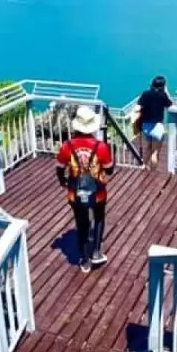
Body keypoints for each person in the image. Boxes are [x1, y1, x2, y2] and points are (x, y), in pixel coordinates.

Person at [56, 106, 115, 273]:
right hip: (98, 190)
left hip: (75, 191)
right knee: (99, 217)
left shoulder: (67, 146)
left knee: (81, 223)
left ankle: (84, 260)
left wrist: (64, 182)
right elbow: (109, 169)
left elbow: (60, 169)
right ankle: (96, 251)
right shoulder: (101, 146)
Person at [135, 76, 173, 169]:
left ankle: (143, 167)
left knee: (148, 148)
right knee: (155, 152)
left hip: (146, 126)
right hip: (157, 126)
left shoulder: (145, 94)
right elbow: (170, 104)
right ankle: (153, 173)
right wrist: (167, 92)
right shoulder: (163, 95)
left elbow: (137, 107)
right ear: (163, 86)